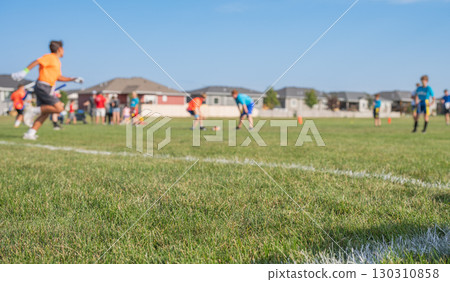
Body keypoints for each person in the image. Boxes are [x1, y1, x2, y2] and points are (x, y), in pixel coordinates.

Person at [11, 40, 83, 140]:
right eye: (63, 50)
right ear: (60, 49)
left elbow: (58, 77)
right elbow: (37, 61)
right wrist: (24, 72)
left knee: (46, 113)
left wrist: (73, 79)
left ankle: (30, 133)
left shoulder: (57, 61)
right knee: (59, 108)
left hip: (47, 88)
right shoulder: (50, 57)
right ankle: (33, 110)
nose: (64, 52)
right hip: (43, 86)